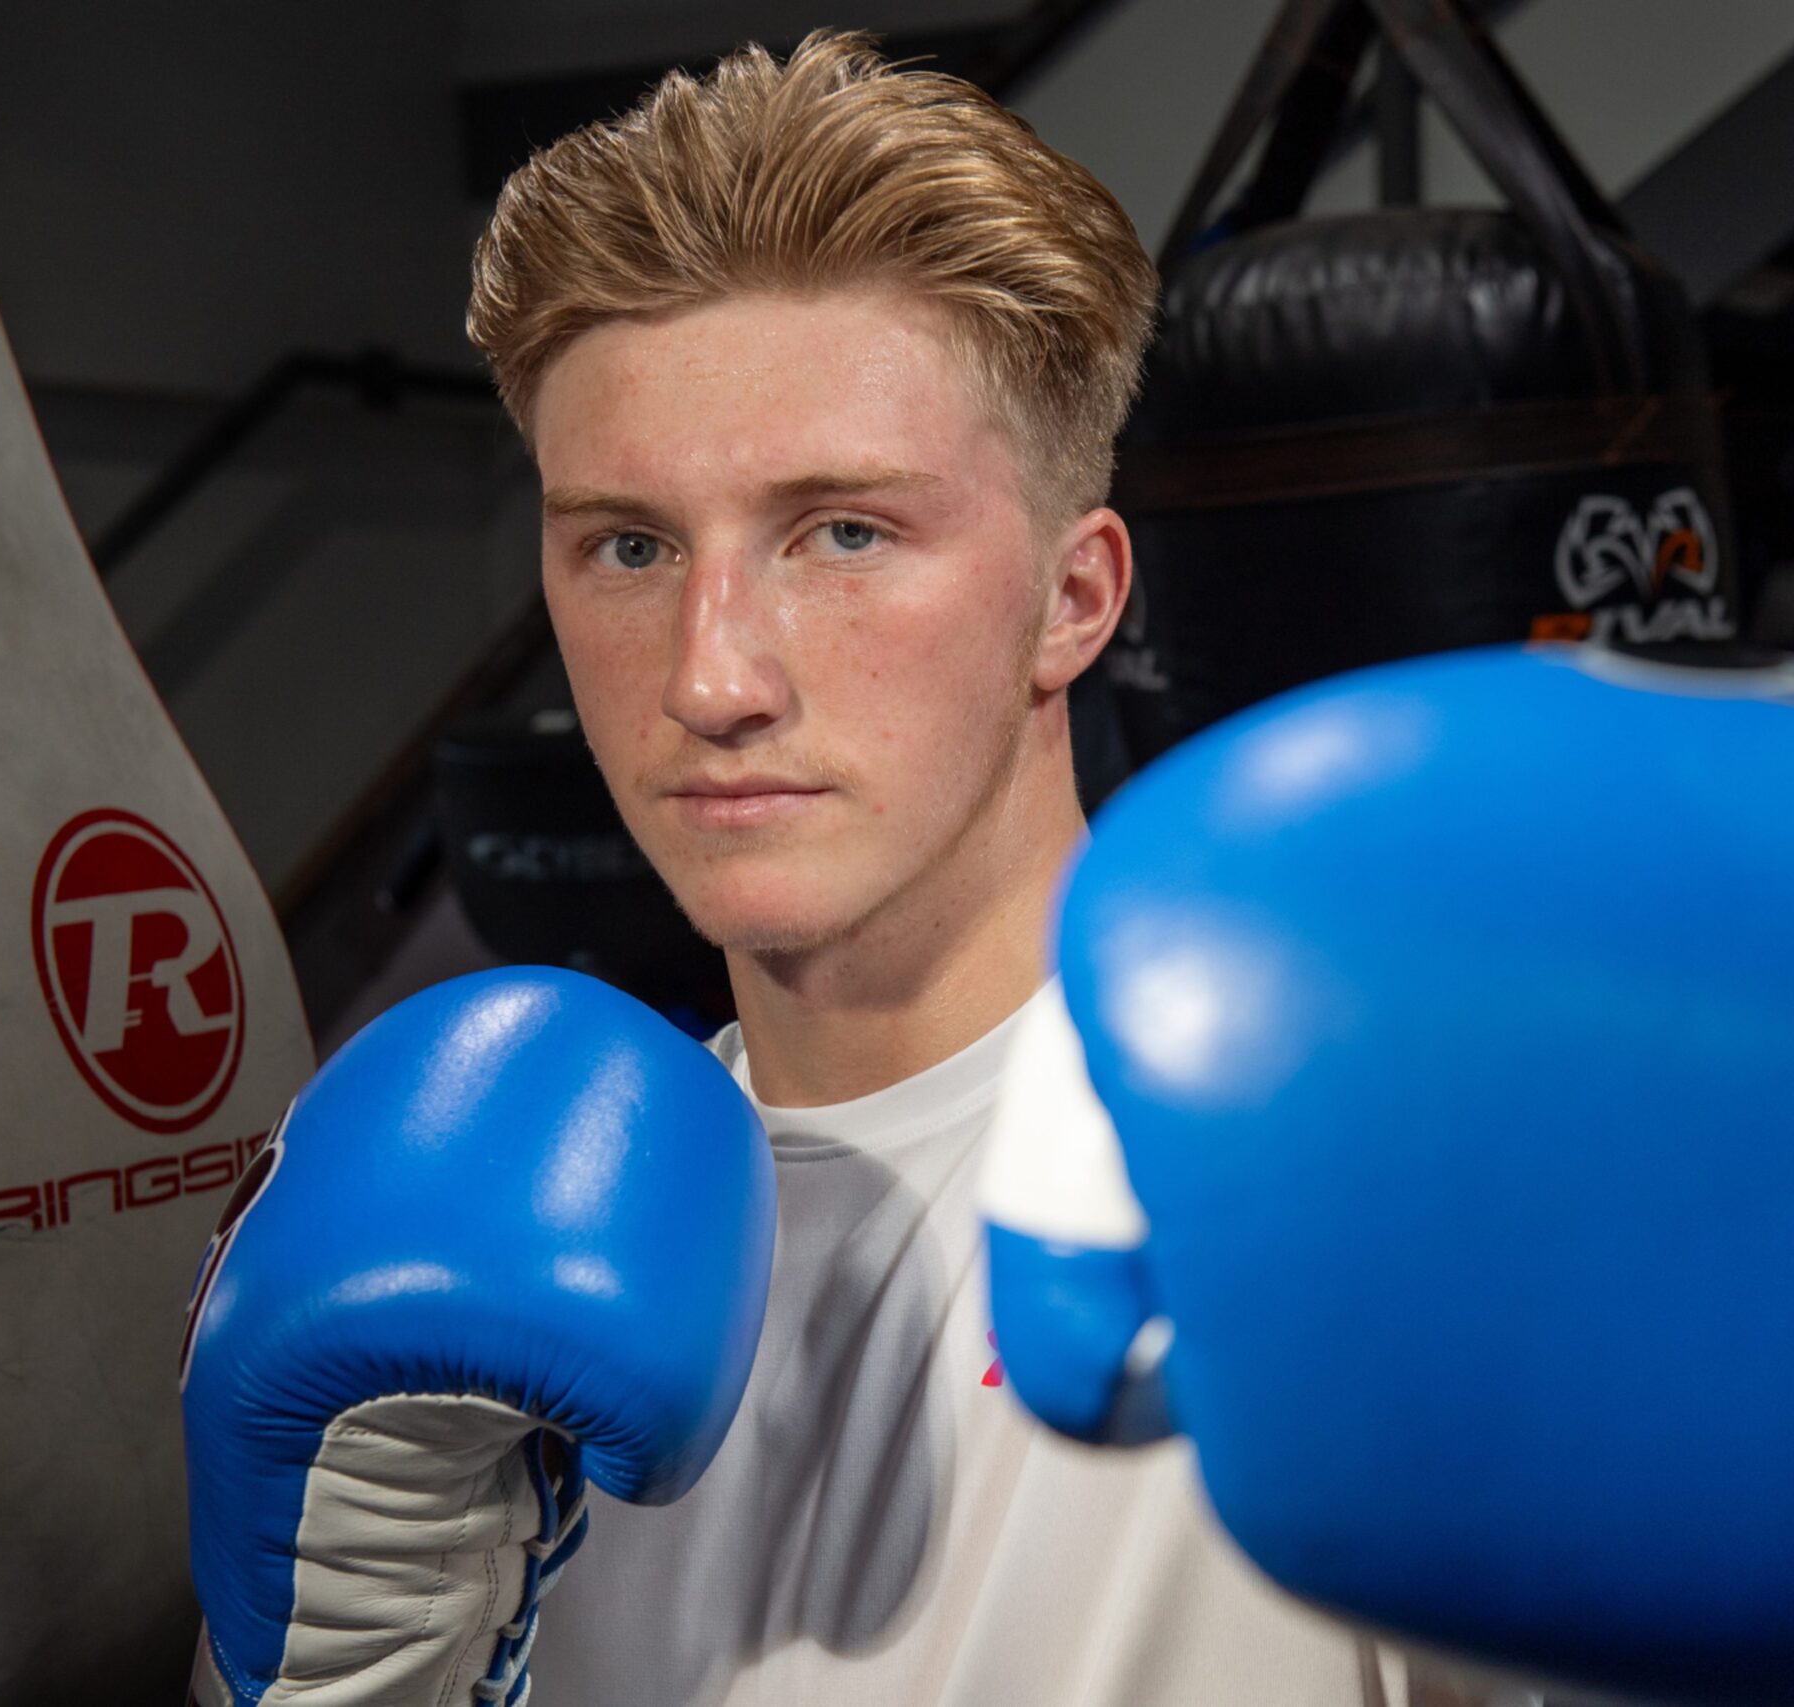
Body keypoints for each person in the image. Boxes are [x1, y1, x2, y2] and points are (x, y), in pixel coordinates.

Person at [466, 30, 1485, 1707]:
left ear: (1076, 601)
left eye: (845, 533)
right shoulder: (491, 1245)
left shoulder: (1344, 1184)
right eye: (630, 547)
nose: (714, 679)